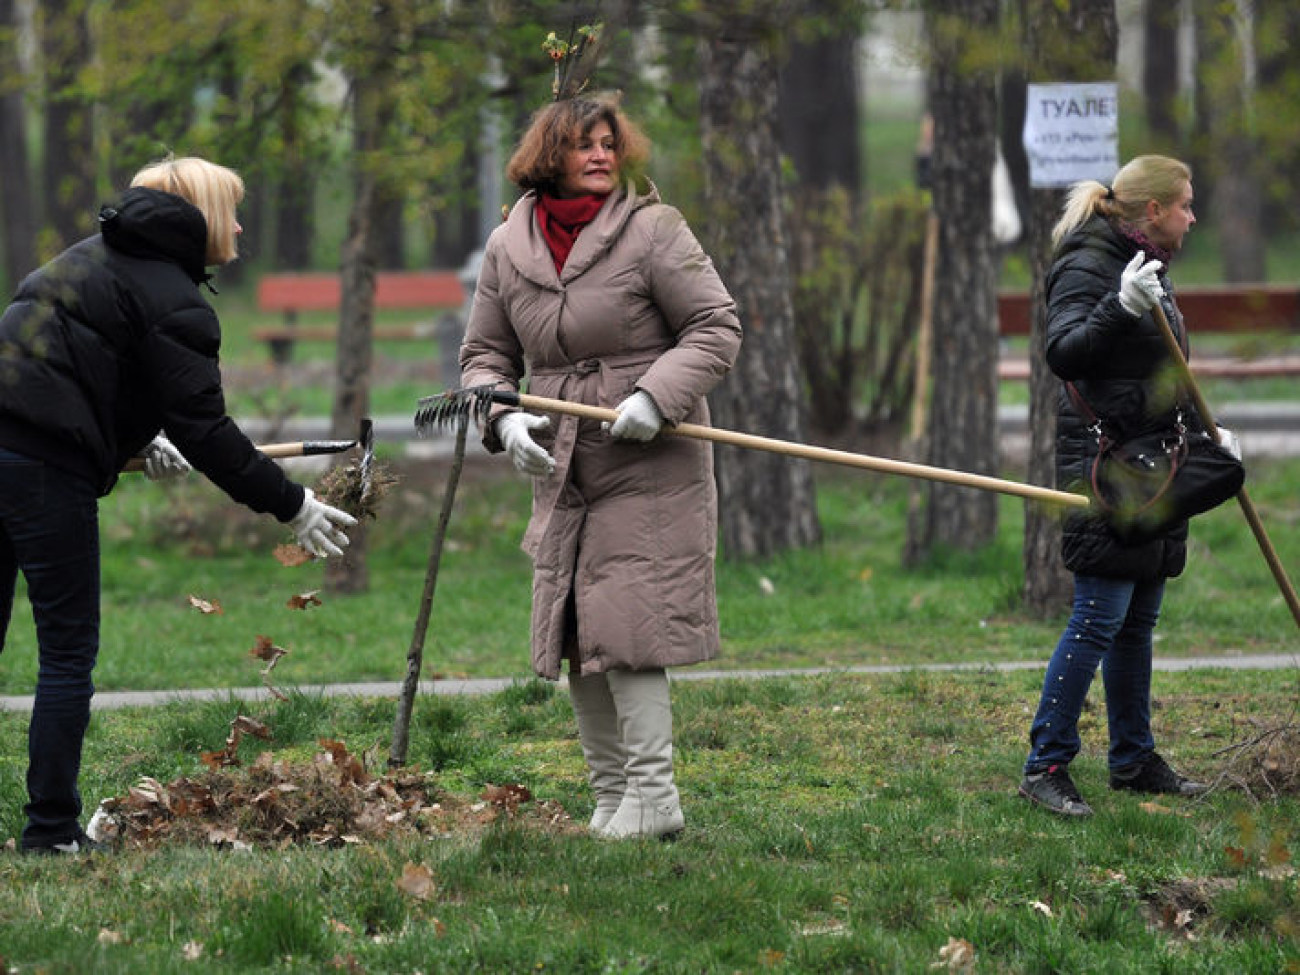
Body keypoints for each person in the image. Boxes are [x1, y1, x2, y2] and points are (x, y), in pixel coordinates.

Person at [0, 155, 357, 853]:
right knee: (67, 653)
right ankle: (50, 833)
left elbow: (87, 366)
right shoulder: (175, 297)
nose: (242, 223)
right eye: (233, 209)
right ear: (199, 217)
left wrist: (139, 434)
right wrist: (291, 504)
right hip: (46, 470)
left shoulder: (82, 260)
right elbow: (210, 432)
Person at [459, 93, 742, 839]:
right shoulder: (506, 245)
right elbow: (485, 355)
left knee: (633, 619)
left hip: (646, 456)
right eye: (584, 143)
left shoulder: (654, 229)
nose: (601, 155)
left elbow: (716, 325)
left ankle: (657, 796)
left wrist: (658, 394)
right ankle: (613, 794)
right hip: (563, 462)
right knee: (576, 623)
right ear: (547, 155)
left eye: (610, 144)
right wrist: (504, 415)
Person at [1018, 155, 1238, 817]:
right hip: (1108, 466)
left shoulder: (1146, 261)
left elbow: (1156, 368)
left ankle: (1133, 758)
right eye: (1186, 205)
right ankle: (1045, 764)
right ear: (1152, 211)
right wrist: (1118, 306)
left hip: (1156, 460)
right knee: (1098, 617)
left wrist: (1208, 432)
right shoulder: (1089, 261)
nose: (1193, 217)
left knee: (1138, 619)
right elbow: (1064, 351)